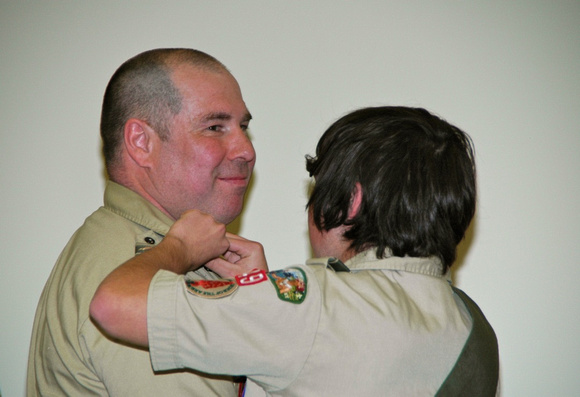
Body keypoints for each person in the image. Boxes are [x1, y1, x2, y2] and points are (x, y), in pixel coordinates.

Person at [90, 106, 500, 396]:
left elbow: (113, 306)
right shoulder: (476, 330)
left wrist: (178, 247)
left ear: (351, 202)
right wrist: (261, 293)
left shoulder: (310, 306)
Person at [27, 48, 262, 396]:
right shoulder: (138, 279)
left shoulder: (146, 252)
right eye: (215, 127)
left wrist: (261, 304)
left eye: (243, 127)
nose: (246, 150)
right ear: (141, 142)